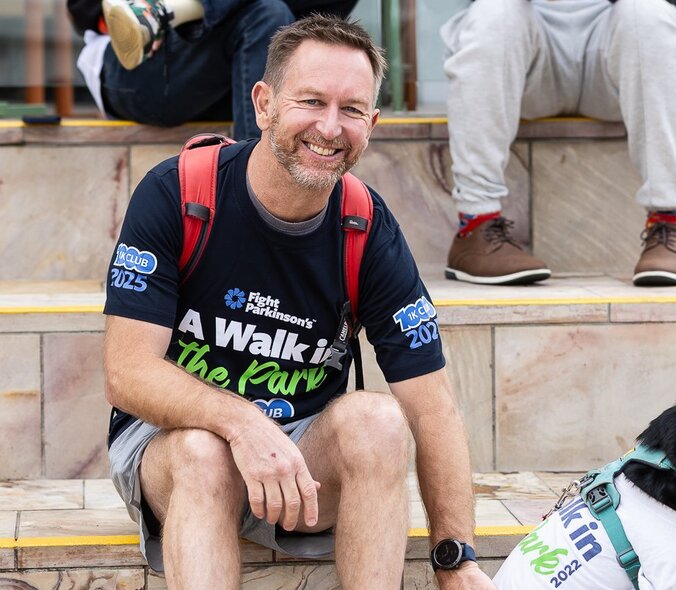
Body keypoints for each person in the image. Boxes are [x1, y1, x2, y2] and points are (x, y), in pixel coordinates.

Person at [102, 15, 495, 590]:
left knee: (379, 421)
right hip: (174, 444)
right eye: (310, 101)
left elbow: (432, 407)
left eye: (352, 110)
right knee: (203, 454)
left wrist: (455, 559)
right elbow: (127, 372)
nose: (330, 128)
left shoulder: (366, 226)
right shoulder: (179, 193)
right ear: (262, 104)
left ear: (374, 123)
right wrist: (240, 422)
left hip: (305, 451)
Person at [440, 0, 676, 287]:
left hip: (616, 56)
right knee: (493, 12)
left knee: (648, 13)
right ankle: (475, 225)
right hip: (527, 54)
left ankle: (669, 222)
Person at [68, 0, 356, 139]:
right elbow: (84, 7)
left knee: (270, 14)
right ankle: (258, 188)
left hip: (241, 81)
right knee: (268, 15)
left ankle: (166, 10)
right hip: (143, 73)